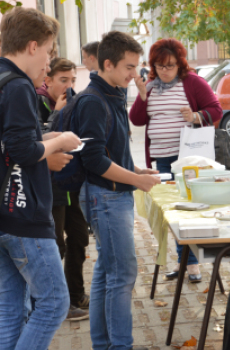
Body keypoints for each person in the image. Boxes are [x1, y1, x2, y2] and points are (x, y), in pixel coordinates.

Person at [0, 7, 82, 350]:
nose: (49, 63)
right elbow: (20, 150)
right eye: (48, 52)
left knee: (10, 308)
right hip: (24, 215)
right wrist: (60, 140)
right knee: (53, 304)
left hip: (5, 214)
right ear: (32, 46)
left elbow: (11, 143)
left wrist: (48, 140)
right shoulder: (18, 85)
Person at [75, 31, 160, 350]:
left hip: (111, 195)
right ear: (106, 64)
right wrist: (136, 181)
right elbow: (93, 159)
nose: (133, 74)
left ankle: (104, 344)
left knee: (106, 274)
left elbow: (111, 151)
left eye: (136, 66)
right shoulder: (93, 100)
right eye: (128, 66)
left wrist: (137, 170)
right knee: (122, 275)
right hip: (104, 197)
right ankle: (119, 345)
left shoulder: (111, 92)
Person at [129, 38, 222, 283]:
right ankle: (187, 262)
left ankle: (191, 265)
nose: (165, 71)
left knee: (190, 211)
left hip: (189, 160)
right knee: (173, 212)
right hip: (161, 160)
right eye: (160, 66)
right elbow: (137, 120)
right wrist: (141, 95)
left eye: (170, 66)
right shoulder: (149, 87)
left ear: (179, 64)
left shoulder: (192, 83)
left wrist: (195, 116)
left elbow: (216, 109)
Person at [36, 57, 90, 321]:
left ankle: (76, 294)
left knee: (79, 238)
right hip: (49, 188)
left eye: (72, 81)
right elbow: (35, 141)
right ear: (48, 80)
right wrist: (58, 112)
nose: (68, 86)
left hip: (70, 186)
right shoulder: (38, 100)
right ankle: (55, 304)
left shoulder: (73, 102)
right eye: (63, 80)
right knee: (55, 245)